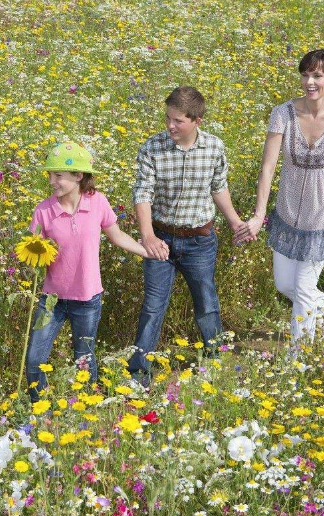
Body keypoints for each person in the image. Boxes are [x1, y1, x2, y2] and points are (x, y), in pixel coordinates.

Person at [235, 50, 324, 343]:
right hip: (288, 214)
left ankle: (299, 359)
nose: (310, 82)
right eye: (305, 74)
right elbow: (268, 167)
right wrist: (260, 216)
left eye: (318, 75)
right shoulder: (282, 113)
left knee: (303, 286)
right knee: (285, 284)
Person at [128, 86, 246, 385]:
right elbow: (142, 194)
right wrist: (148, 238)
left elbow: (218, 187)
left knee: (206, 303)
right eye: (168, 118)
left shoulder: (214, 148)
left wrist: (234, 222)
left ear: (197, 120)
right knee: (153, 306)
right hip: (161, 239)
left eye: (177, 121)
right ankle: (138, 375)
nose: (170, 125)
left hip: (199, 241)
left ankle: (216, 365)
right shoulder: (152, 148)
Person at [25, 141, 149, 401]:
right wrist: (33, 263)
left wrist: (147, 251)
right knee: (35, 359)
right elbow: (31, 252)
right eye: (50, 174)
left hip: (87, 299)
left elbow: (116, 236)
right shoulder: (43, 211)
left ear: (78, 176)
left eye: (58, 175)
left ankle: (87, 406)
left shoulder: (97, 202)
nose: (51, 181)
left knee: (84, 358)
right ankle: (40, 410)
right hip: (52, 301)